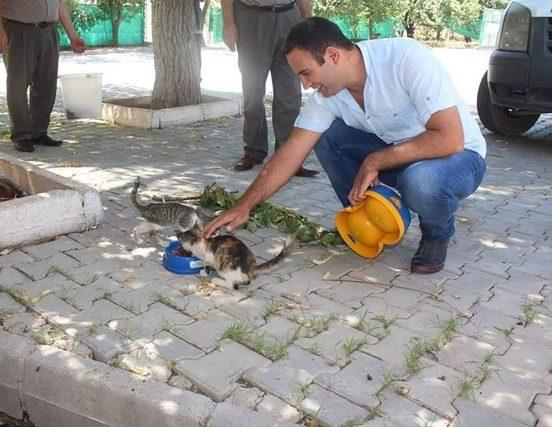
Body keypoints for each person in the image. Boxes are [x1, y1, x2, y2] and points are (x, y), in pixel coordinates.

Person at [204, 17, 487, 274]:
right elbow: (291, 152)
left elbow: (450, 138)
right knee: (325, 136)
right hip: (398, 154)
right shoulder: (326, 96)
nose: (305, 85)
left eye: (306, 73)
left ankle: (437, 232)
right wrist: (244, 205)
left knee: (422, 182)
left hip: (458, 156)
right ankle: (364, 218)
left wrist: (374, 160)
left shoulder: (406, 58)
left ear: (332, 55)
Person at [222, 0, 319, 177]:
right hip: (251, 18)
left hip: (289, 17)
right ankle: (253, 152)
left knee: (289, 93)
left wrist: (307, 18)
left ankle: (288, 157)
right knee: (253, 91)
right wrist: (228, 23)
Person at [0, 0, 87, 153]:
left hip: (48, 31)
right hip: (18, 29)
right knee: (18, 86)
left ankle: (38, 132)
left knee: (46, 85)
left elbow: (60, 4)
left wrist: (72, 36)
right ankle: (21, 135)